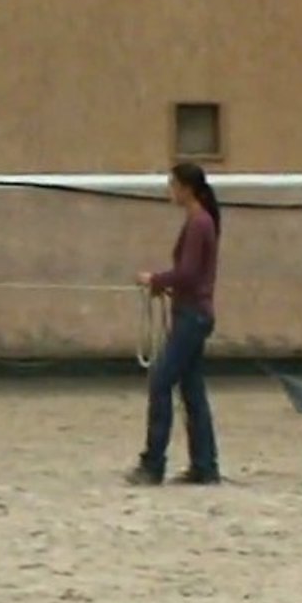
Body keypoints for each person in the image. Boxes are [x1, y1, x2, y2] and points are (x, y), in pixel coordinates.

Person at [125, 162, 222, 486]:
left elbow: (189, 273)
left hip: (191, 316)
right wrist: (165, 284)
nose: (170, 189)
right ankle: (205, 465)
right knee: (192, 391)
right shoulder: (202, 222)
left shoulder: (198, 223)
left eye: (172, 184)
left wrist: (155, 279)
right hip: (193, 313)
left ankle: (153, 464)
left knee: (161, 382)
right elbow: (191, 276)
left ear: (186, 188)